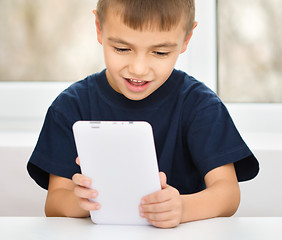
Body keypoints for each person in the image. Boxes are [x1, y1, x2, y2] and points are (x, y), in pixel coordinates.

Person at [27, 0, 259, 229]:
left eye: (160, 52)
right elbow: (54, 204)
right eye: (122, 49)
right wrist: (82, 201)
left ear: (186, 39)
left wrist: (182, 208)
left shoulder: (200, 105)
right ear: (99, 27)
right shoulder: (70, 107)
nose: (138, 68)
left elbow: (228, 193)